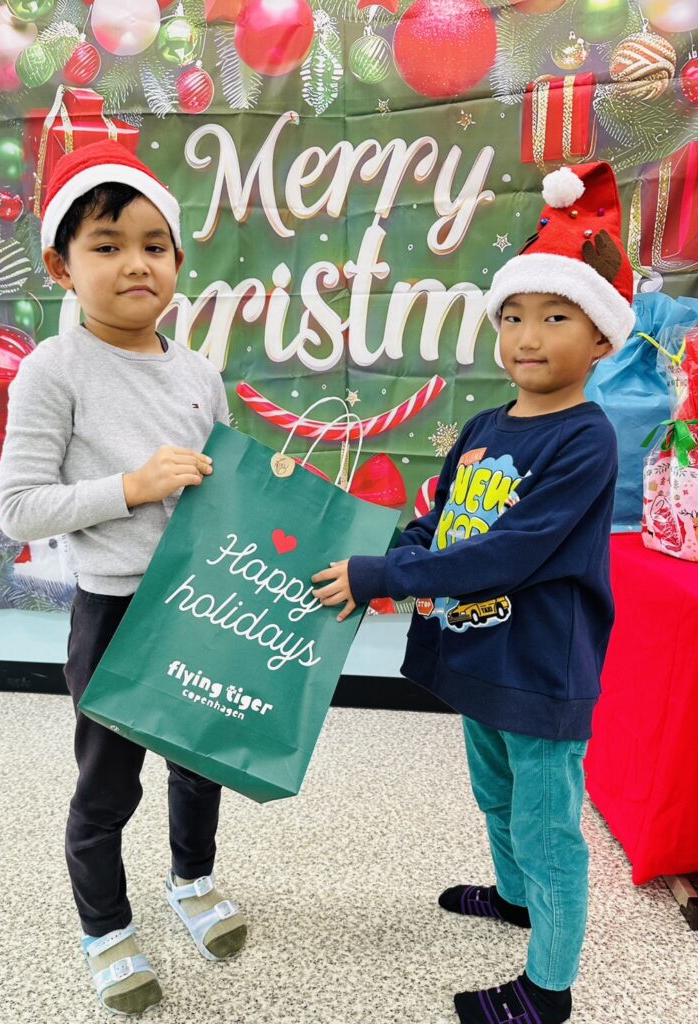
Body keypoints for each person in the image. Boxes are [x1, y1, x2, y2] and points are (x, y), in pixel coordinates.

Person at [313, 162, 635, 1024]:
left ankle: (548, 990)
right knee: (495, 796)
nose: (528, 335)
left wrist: (387, 577)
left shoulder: (586, 441)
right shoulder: (488, 427)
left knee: (547, 827)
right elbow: (442, 518)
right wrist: (390, 554)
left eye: (556, 317)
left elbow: (507, 553)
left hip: (539, 667)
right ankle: (516, 898)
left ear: (601, 339)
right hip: (479, 652)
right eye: (514, 315)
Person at [0, 141, 247, 1017]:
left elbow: (219, 492)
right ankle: (104, 927)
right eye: (107, 245)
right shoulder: (53, 369)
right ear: (62, 267)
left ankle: (192, 879)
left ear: (178, 261)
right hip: (113, 615)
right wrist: (131, 487)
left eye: (153, 244)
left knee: (201, 764)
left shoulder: (199, 372)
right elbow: (18, 509)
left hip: (197, 607)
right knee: (108, 785)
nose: (135, 263)